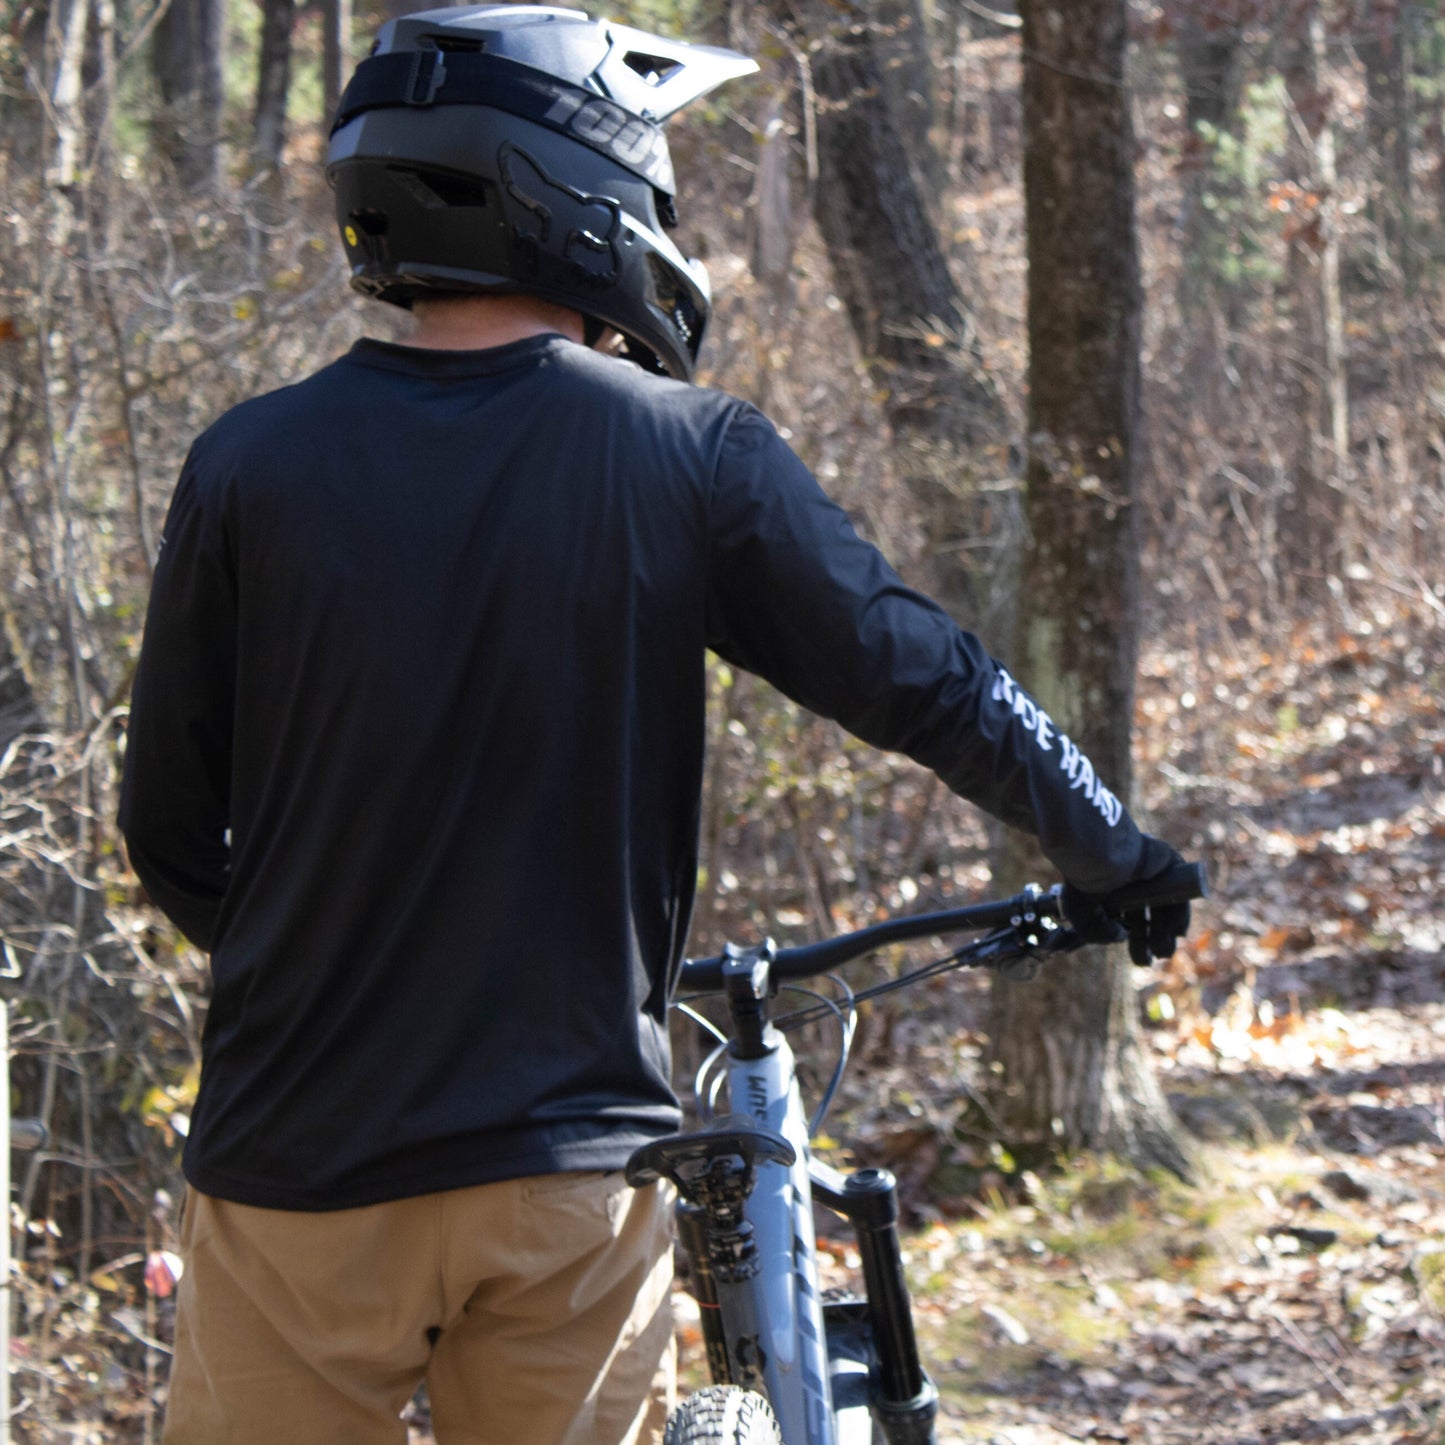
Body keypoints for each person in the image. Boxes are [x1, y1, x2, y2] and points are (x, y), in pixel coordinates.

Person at [118, 7, 1190, 1443]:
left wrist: (334, 959)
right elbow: (924, 673)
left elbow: (168, 831)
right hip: (563, 1183)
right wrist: (1110, 843)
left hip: (294, 1170)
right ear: (576, 188)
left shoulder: (246, 462)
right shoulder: (684, 453)